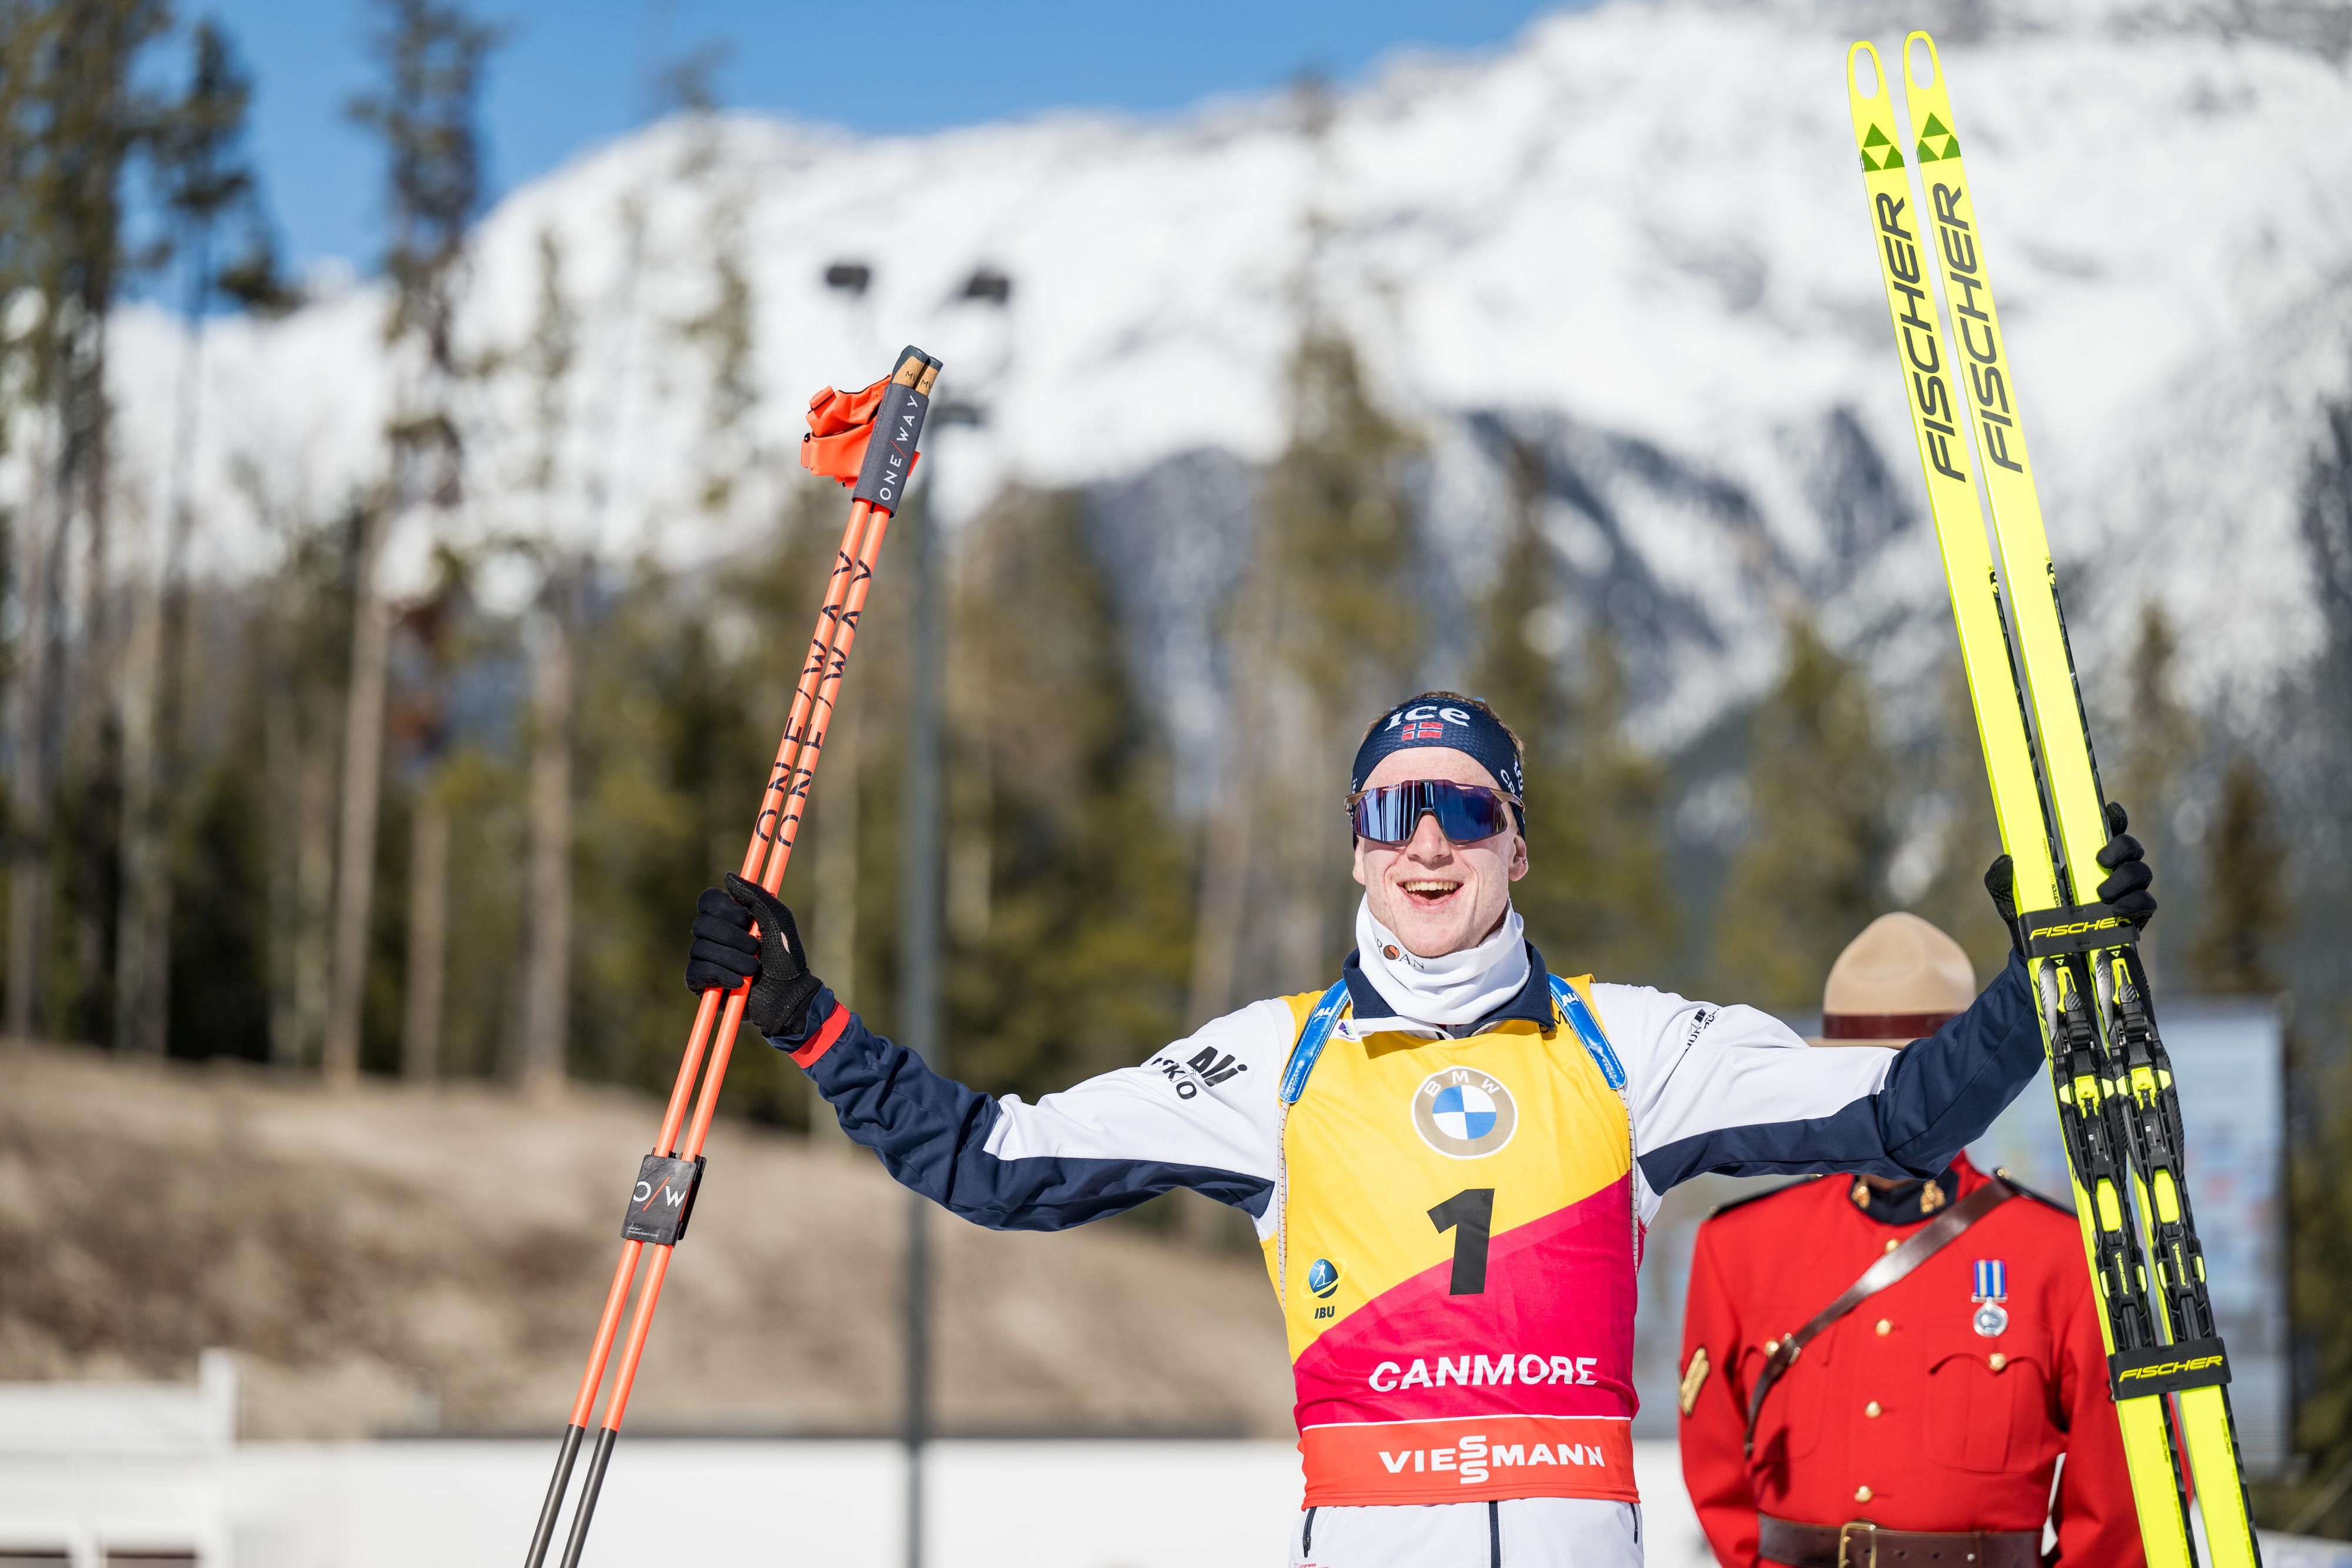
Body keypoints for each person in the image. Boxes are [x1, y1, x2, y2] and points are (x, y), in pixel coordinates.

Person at [684, 691, 2156, 1568]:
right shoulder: (1272, 1062)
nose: (1429, 842)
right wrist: (808, 1020)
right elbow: (997, 1164)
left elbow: (1898, 1112)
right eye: (1395, 812)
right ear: (1357, 848)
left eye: (1462, 805)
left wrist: (2048, 975)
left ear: (1516, 840)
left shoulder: (1628, 1045)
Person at [1676, 913, 2145, 1568]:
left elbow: (2117, 1503)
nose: (1882, 1102)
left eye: (1908, 1080)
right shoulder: (1740, 1245)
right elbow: (1715, 1470)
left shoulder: (2059, 1256)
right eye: (1856, 1076)